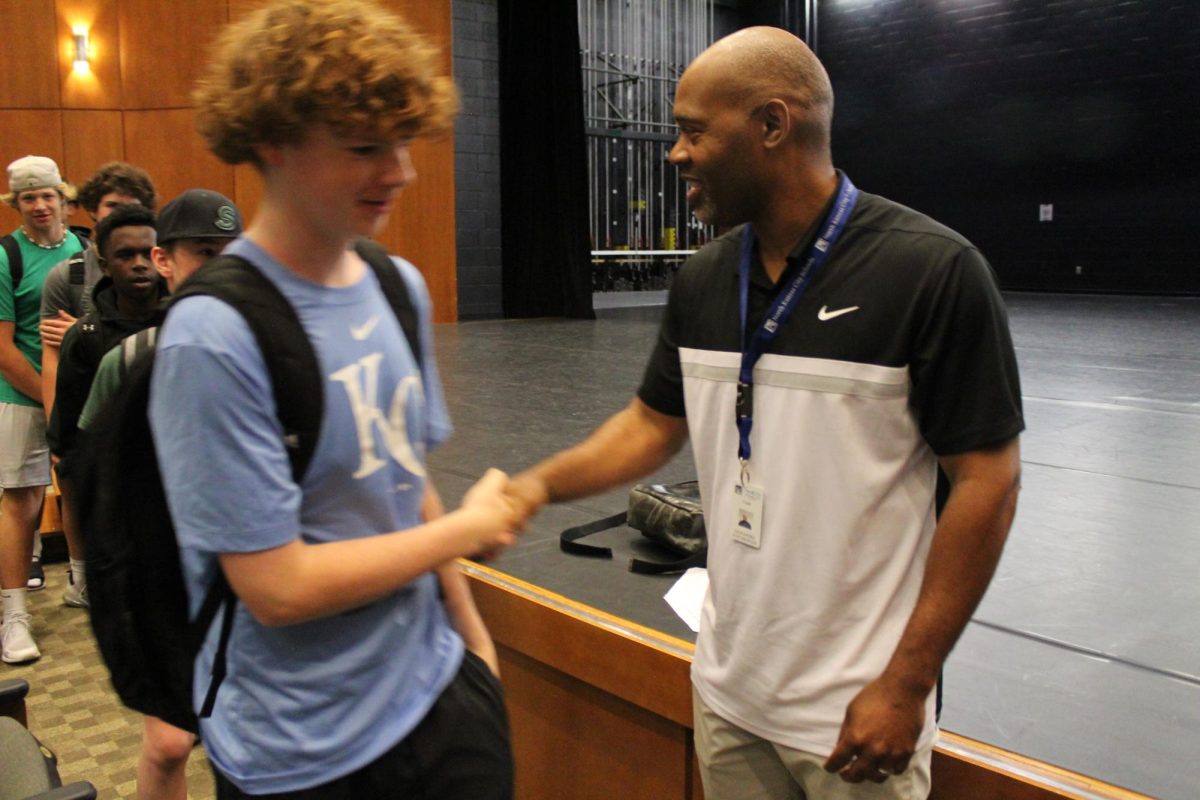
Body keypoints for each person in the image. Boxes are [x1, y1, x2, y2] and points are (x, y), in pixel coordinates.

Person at [506, 27, 1024, 800]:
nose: (674, 153)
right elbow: (652, 426)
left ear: (773, 126)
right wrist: (532, 488)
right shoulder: (707, 277)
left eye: (692, 131)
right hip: (728, 698)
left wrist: (907, 683)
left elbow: (988, 481)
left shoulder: (932, 272)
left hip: (855, 717)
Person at [150, 1, 519, 796]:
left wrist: (474, 651)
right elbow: (277, 588)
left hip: (438, 705)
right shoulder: (213, 335)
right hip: (301, 752)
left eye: (402, 142)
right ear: (274, 142)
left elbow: (403, 478)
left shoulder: (396, 286)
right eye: (363, 148)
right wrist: (464, 533)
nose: (400, 171)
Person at [76, 188, 243, 800]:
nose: (223, 269)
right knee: (170, 743)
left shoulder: (266, 350)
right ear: (165, 260)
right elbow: (94, 478)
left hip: (248, 575)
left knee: (244, 743)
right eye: (205, 253)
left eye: (233, 253)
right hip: (166, 576)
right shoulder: (131, 360)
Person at [37, 161, 157, 602]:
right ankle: (83, 577)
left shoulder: (181, 310)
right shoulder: (68, 285)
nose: (139, 263)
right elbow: (58, 366)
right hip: (103, 447)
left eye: (147, 254)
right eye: (111, 208)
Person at [0, 155, 87, 664]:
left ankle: (83, 582)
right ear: (17, 205)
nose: (39, 205)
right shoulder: (6, 256)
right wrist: (48, 396)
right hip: (20, 393)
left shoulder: (84, 248)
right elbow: (4, 349)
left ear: (62, 198)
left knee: (77, 486)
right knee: (22, 500)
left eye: (46, 195)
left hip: (72, 392)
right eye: (27, 198)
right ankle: (13, 616)